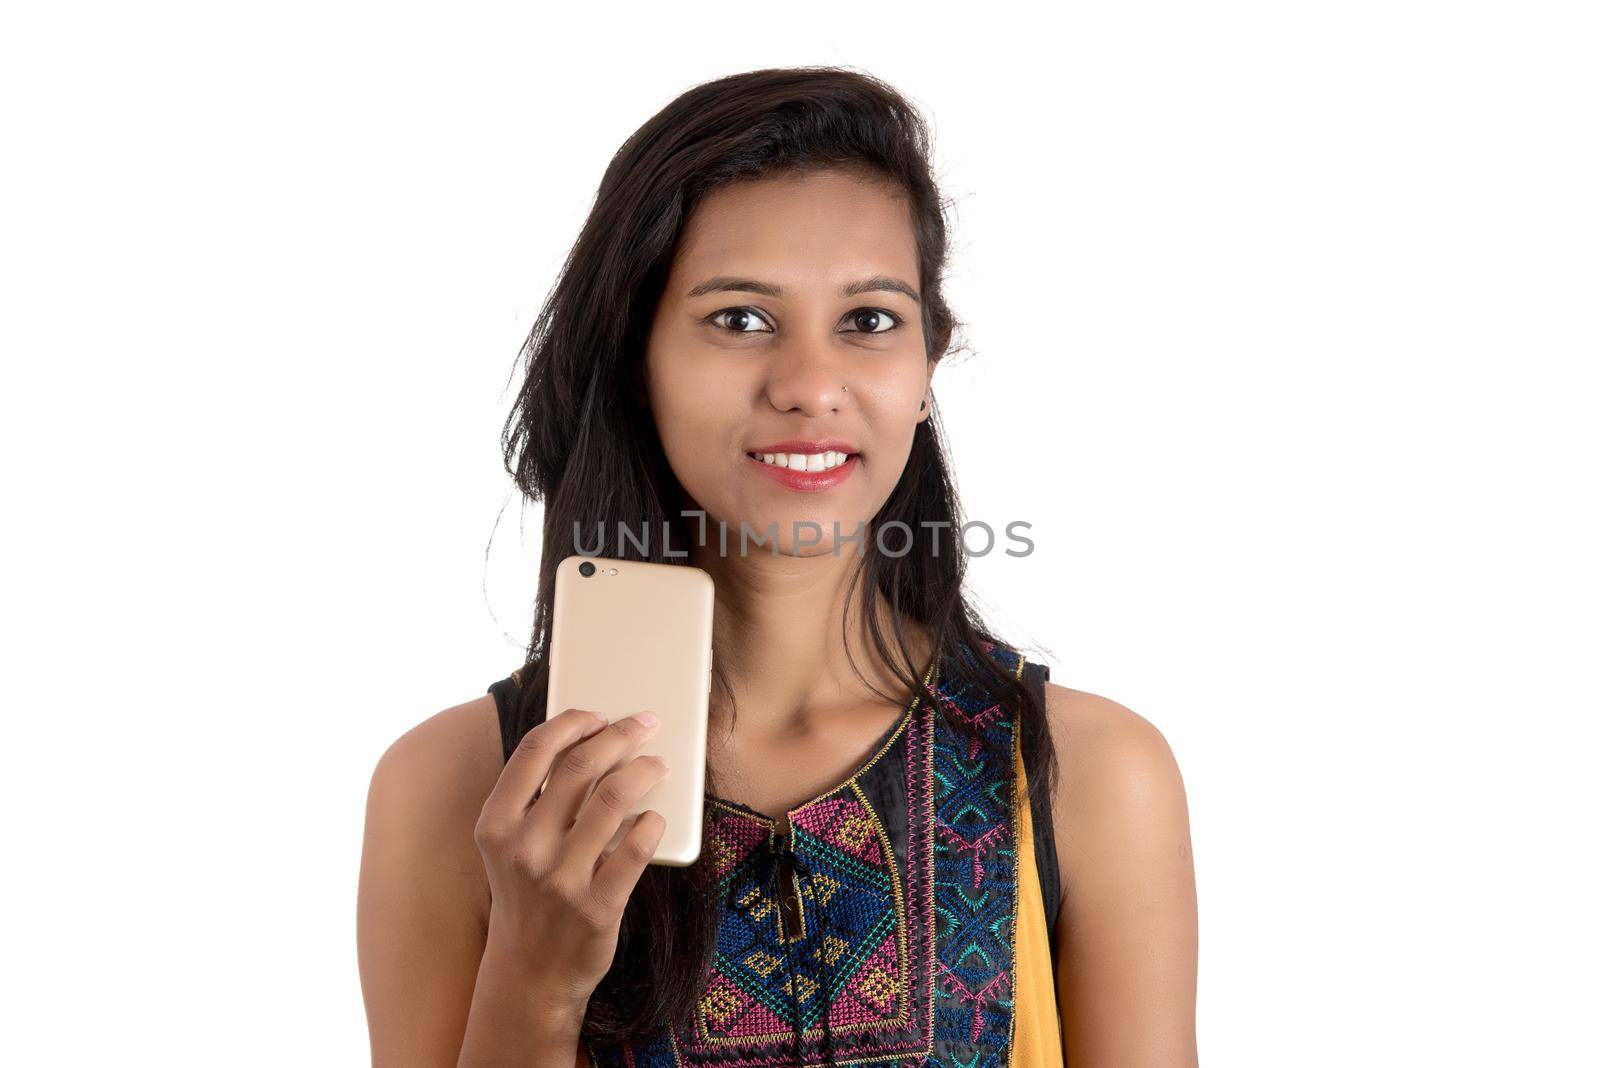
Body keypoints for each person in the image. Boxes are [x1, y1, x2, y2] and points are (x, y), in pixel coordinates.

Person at [358, 66, 1198, 1067]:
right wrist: (533, 984)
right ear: (639, 360)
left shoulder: (1086, 777)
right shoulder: (460, 790)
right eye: (741, 319)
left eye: (870, 320)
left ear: (929, 363)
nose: (808, 386)